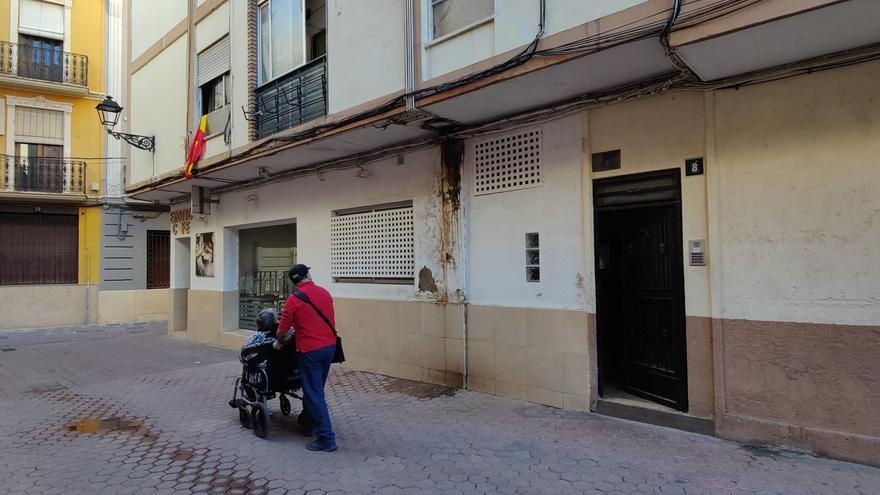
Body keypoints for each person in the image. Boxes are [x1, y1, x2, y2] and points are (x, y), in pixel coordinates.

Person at [274, 264, 337, 452]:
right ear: (307, 275)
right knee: (316, 390)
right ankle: (307, 422)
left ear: (293, 281)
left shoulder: (293, 300)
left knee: (314, 393)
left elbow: (282, 331)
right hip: (330, 347)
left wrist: (278, 343)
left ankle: (326, 439)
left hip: (310, 350)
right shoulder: (324, 292)